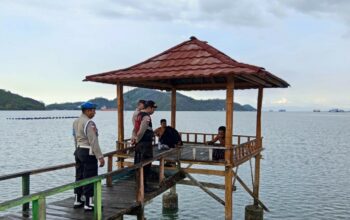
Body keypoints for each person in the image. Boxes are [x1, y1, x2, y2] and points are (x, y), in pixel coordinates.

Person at [73, 102, 105, 211]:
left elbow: (75, 138)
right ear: (87, 111)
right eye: (93, 110)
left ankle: (77, 199)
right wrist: (100, 157)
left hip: (78, 150)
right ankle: (88, 203)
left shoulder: (76, 121)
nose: (95, 112)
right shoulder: (89, 123)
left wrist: (77, 150)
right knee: (90, 176)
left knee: (79, 175)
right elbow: (93, 141)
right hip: (87, 152)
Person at [132, 100, 157, 193]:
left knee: (138, 164)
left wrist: (134, 138)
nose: (154, 110)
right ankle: (144, 186)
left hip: (139, 145)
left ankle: (139, 184)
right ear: (149, 108)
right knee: (146, 165)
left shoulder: (139, 115)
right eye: (153, 108)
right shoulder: (146, 117)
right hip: (144, 145)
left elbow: (135, 128)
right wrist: (137, 140)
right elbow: (142, 130)